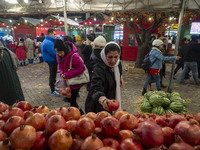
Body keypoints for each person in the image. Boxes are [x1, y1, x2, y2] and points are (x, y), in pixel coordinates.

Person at [85, 41, 125, 113]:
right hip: (96, 106)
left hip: (109, 103)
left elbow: (118, 72)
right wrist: (102, 99)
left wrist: (120, 77)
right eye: (110, 57)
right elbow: (95, 87)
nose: (113, 61)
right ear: (104, 55)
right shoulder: (99, 69)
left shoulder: (118, 65)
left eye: (116, 57)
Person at [54, 39, 85, 114]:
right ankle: (77, 114)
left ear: (64, 50)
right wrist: (62, 74)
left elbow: (82, 68)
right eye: (57, 52)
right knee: (70, 99)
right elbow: (60, 67)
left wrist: (67, 74)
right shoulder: (58, 56)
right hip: (67, 81)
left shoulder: (74, 56)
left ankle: (80, 115)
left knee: (72, 101)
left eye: (60, 52)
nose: (59, 54)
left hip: (75, 82)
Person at [42, 28, 60, 96]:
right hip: (51, 61)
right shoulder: (48, 42)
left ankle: (54, 88)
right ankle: (52, 90)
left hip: (52, 60)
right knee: (52, 75)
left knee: (53, 74)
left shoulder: (49, 41)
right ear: (50, 34)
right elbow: (53, 52)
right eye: (54, 34)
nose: (55, 35)